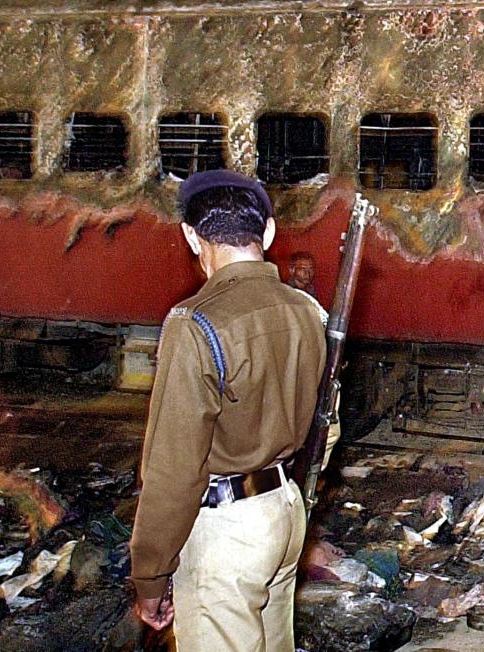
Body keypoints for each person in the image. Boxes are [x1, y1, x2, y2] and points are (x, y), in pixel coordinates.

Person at [130, 170, 326, 651]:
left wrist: (151, 574)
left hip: (228, 532)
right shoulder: (307, 311)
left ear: (191, 236)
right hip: (284, 512)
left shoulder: (194, 322)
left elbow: (174, 468)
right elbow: (328, 424)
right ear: (270, 232)